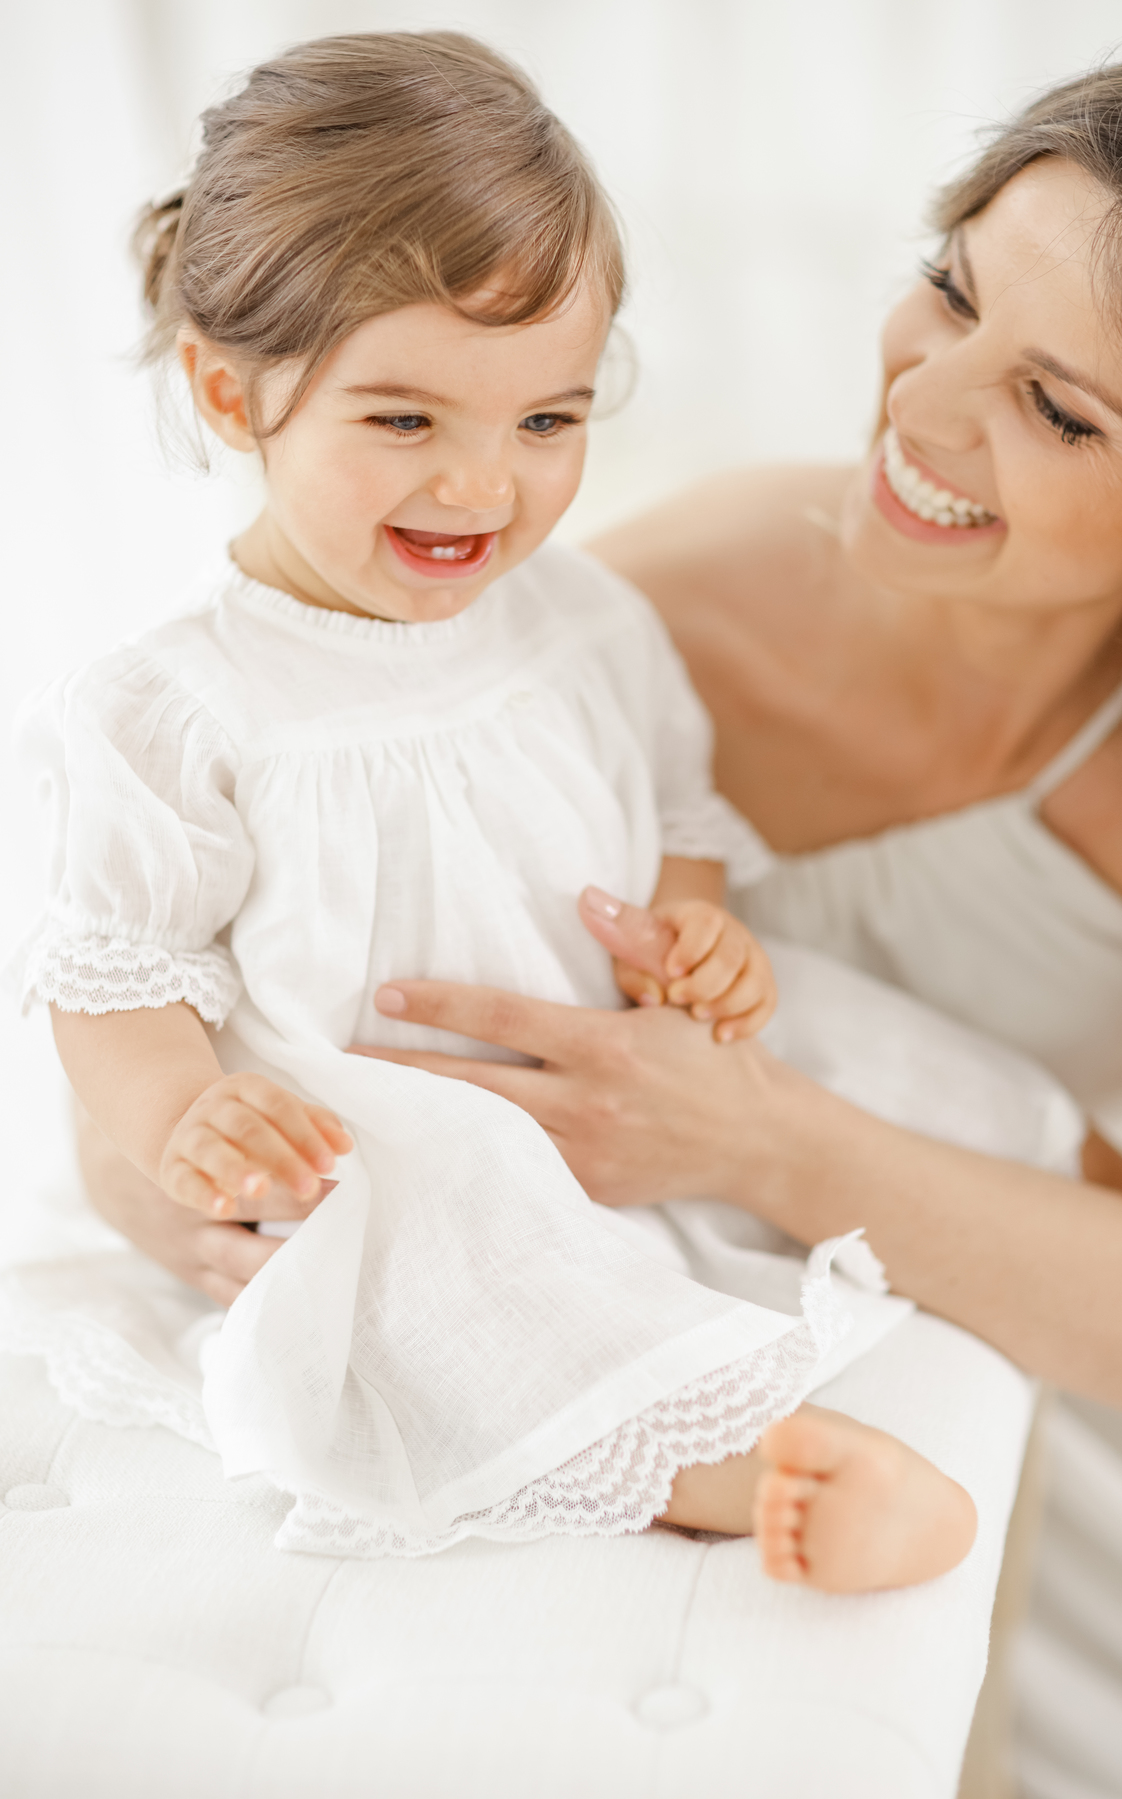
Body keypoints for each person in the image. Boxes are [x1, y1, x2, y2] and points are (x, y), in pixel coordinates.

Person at [14, 30, 979, 1586]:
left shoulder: (585, 620)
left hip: (603, 1068)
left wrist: (695, 938)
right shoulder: (175, 708)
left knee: (912, 1079)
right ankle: (747, 1463)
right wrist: (184, 1118)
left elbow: (673, 823)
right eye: (404, 422)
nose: (484, 488)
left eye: (548, 421)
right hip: (383, 1116)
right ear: (227, 389)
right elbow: (114, 975)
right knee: (448, 1260)